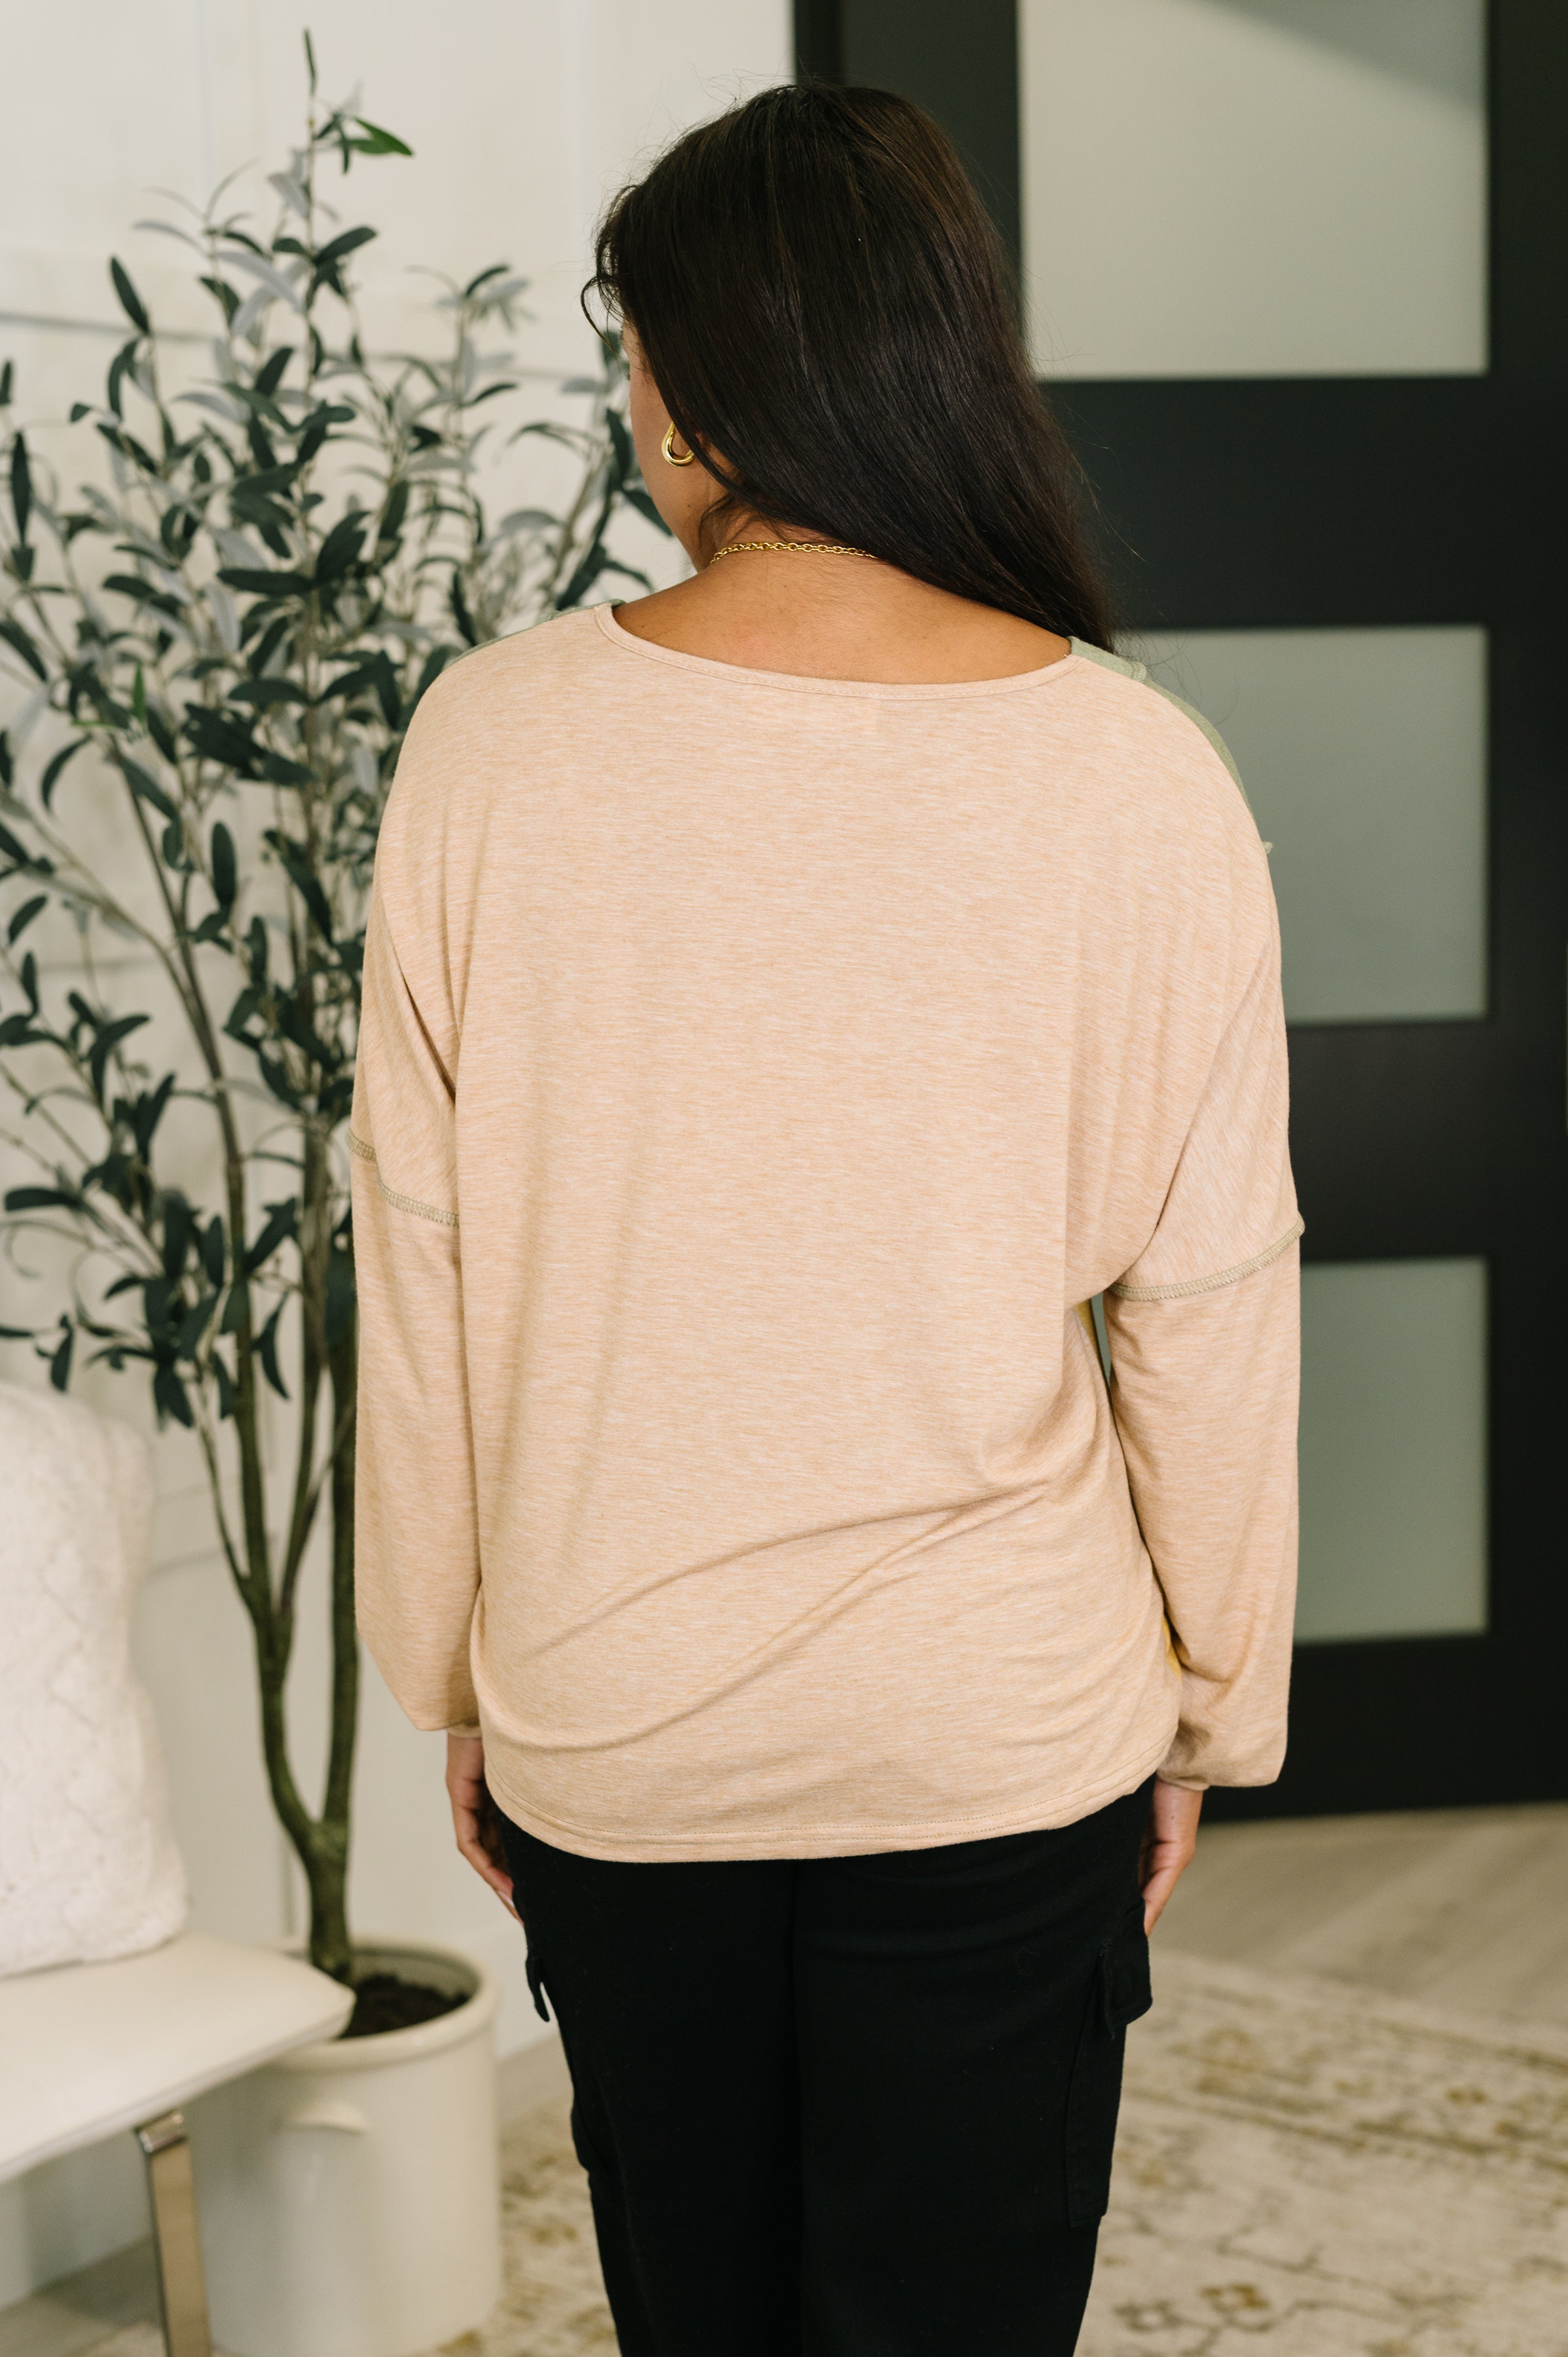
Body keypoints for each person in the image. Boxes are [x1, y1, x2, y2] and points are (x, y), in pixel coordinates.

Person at [349, 80, 1302, 2357]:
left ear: (701, 385)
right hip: (999, 1737)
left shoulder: (491, 746)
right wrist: (1207, 1709)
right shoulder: (1136, 773)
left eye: (632, 355)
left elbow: (424, 1266)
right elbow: (1204, 1298)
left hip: (622, 1730)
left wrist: (457, 1673)